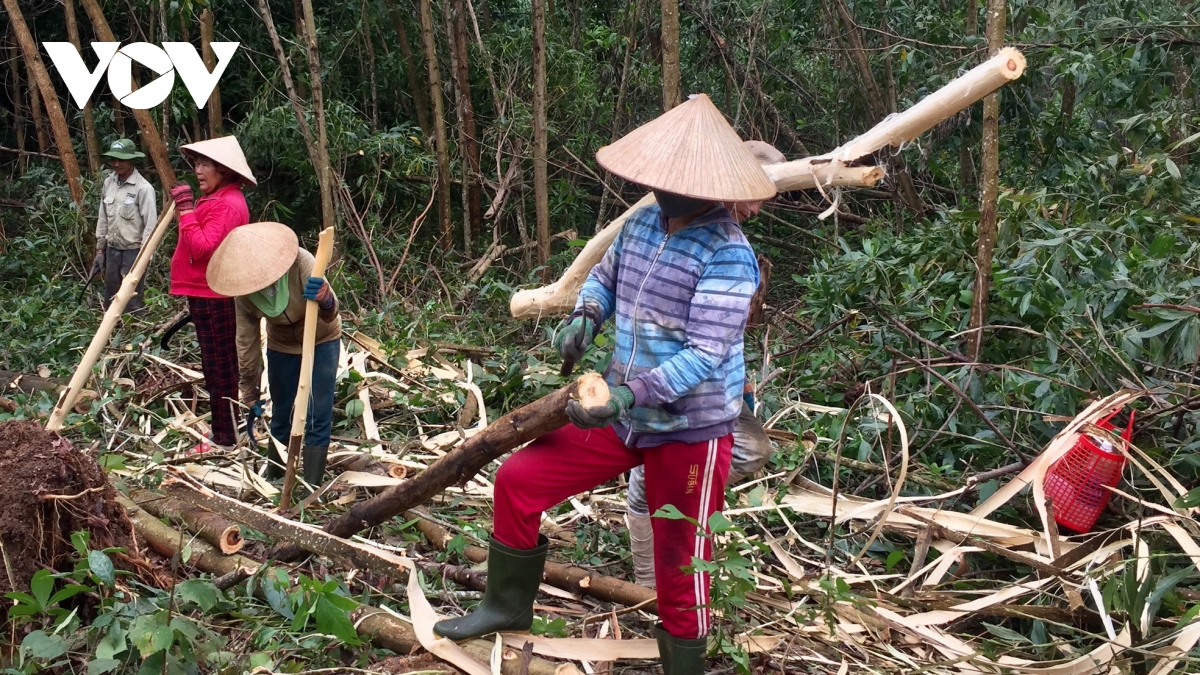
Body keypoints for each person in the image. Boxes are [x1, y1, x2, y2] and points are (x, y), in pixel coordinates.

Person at [432, 94, 776, 675]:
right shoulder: (644, 222)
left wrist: (627, 394)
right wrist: (585, 317)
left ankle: (683, 667)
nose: (657, 188)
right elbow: (605, 277)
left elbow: (705, 356)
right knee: (519, 479)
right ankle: (505, 606)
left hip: (688, 427)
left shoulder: (728, 256)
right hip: (620, 413)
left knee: (679, 557)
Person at [623, 139, 782, 589]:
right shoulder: (670, 227)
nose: (756, 208)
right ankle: (646, 582)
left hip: (711, 391)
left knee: (753, 450)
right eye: (753, 194)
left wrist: (743, 382)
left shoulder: (730, 243)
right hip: (662, 385)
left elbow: (718, 333)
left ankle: (659, 516)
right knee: (649, 482)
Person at [205, 221, 341, 485]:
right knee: (281, 415)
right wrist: (250, 391)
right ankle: (276, 479)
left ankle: (312, 487)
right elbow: (246, 342)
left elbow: (332, 310)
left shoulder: (301, 260)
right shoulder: (245, 293)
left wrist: (325, 299)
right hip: (282, 346)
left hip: (321, 339)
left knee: (317, 413)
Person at [168, 136, 255, 451]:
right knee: (215, 363)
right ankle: (224, 428)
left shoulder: (229, 204)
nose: (198, 170)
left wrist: (186, 210)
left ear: (224, 170)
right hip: (206, 292)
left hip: (215, 294)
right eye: (196, 163)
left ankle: (224, 437)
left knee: (219, 365)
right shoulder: (218, 199)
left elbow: (203, 247)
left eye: (205, 164)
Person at [91, 138, 158, 313]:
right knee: (111, 297)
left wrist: (143, 257)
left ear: (131, 160)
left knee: (131, 301)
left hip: (133, 252)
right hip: (112, 250)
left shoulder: (144, 188)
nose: (116, 163)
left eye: (121, 160)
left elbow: (150, 226)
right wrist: (100, 250)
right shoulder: (109, 183)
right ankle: (110, 335)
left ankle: (133, 335)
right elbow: (103, 216)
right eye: (113, 159)